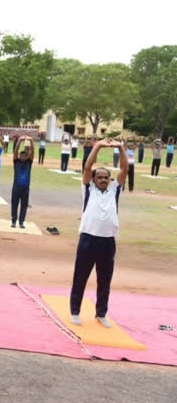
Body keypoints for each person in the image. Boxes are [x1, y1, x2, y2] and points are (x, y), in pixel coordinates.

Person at [69, 138, 128, 328]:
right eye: (100, 177)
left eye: (106, 177)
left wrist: (119, 146)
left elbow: (125, 169)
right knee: (80, 277)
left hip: (108, 241)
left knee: (105, 280)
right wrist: (99, 146)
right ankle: (75, 311)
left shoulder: (114, 190)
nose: (103, 179)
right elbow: (87, 167)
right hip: (88, 239)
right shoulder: (88, 189)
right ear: (94, 180)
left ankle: (101, 313)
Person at [11, 136, 34, 228]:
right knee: (14, 204)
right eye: (22, 156)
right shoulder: (16, 162)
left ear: (27, 156)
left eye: (25, 156)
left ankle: (21, 222)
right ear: (19, 156)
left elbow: (32, 152)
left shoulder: (29, 162)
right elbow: (16, 151)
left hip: (25, 188)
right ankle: (13, 221)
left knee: (24, 205)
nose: (23, 157)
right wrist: (19, 141)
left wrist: (31, 141)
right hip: (16, 187)